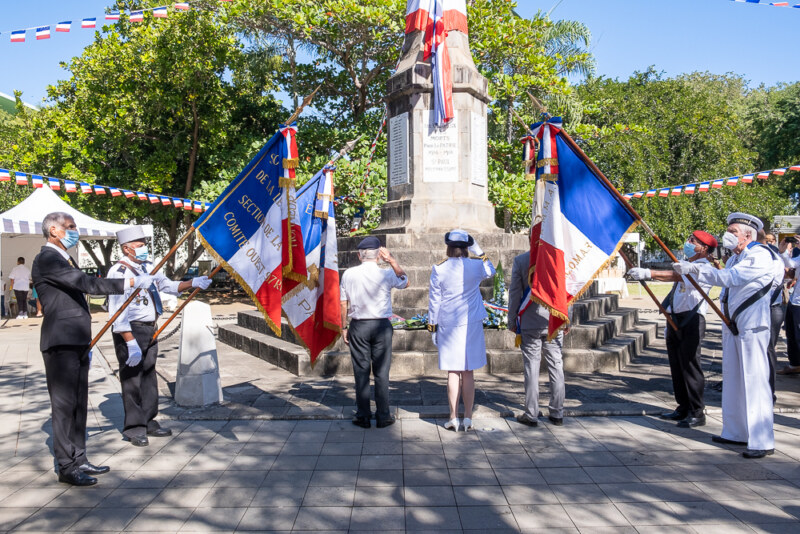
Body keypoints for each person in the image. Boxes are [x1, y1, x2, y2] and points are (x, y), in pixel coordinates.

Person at [32, 212, 153, 485]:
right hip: (60, 342)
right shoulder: (48, 258)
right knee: (64, 406)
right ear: (54, 230)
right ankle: (66, 466)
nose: (75, 231)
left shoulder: (65, 257)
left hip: (76, 341)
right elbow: (86, 284)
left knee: (78, 404)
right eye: (70, 227)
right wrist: (130, 282)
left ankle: (79, 458)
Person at [673, 212, 784, 459]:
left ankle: (761, 439)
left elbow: (731, 279)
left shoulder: (760, 255)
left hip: (753, 324)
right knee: (734, 378)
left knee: (755, 381)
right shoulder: (736, 257)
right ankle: (736, 432)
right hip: (733, 323)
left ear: (748, 235)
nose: (728, 235)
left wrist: (695, 269)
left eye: (733, 232)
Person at [107, 226, 212, 446]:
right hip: (130, 330)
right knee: (132, 379)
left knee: (148, 376)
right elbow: (117, 313)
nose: (144, 248)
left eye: (144, 244)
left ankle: (149, 420)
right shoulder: (118, 272)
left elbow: (169, 287)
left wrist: (193, 282)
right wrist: (130, 342)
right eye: (139, 245)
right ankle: (134, 428)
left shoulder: (149, 266)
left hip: (150, 327)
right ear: (127, 249)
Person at [628, 230, 717, 428]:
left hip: (692, 320)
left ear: (704, 248)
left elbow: (676, 277)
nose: (688, 242)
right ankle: (683, 407)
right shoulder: (689, 265)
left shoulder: (702, 268)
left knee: (690, 366)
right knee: (676, 365)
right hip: (675, 318)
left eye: (692, 241)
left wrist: (649, 273)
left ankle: (697, 411)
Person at [428, 230, 495, 432]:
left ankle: (453, 417)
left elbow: (434, 301)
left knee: (453, 370)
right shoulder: (476, 265)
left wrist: (433, 326)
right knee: (468, 371)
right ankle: (467, 418)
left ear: (448, 246)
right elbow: (490, 270)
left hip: (448, 323)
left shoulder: (439, 268)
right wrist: (478, 249)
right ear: (467, 247)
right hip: (471, 321)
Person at [340, 236, 407, 429]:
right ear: (379, 256)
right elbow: (405, 281)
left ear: (359, 255)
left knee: (360, 372)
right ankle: (383, 415)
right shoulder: (386, 273)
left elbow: (342, 303)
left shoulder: (349, 274)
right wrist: (392, 261)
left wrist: (343, 326)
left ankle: (363, 415)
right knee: (381, 372)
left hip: (359, 325)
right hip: (381, 326)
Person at [507, 249, 565, 427]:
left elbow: (515, 292)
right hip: (553, 319)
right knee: (556, 365)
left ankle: (531, 413)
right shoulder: (557, 257)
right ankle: (557, 413)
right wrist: (566, 317)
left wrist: (511, 319)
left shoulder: (521, 260)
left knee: (531, 367)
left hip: (529, 320)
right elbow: (565, 290)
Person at [778, 236, 800, 376]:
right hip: (795, 300)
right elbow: (791, 263)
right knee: (791, 334)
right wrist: (783, 251)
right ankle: (794, 364)